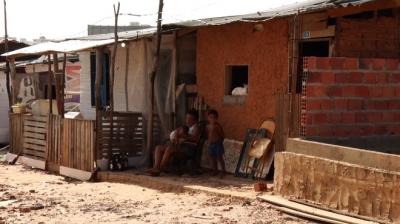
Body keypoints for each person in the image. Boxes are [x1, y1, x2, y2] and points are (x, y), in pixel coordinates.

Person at [150, 110, 200, 176]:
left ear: (195, 120)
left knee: (169, 149)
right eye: (187, 118)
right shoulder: (186, 127)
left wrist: (183, 136)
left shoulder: (196, 128)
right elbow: (177, 131)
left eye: (190, 119)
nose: (187, 121)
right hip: (179, 147)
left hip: (186, 151)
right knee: (158, 148)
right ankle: (156, 167)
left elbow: (195, 138)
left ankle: (160, 168)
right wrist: (176, 134)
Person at [207, 109, 226, 177]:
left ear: (217, 118)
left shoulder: (217, 126)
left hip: (217, 144)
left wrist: (219, 142)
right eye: (211, 117)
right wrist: (209, 142)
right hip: (211, 144)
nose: (212, 119)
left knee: (219, 157)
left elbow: (222, 135)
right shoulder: (208, 126)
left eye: (214, 117)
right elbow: (208, 135)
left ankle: (223, 171)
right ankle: (215, 170)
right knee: (212, 158)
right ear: (208, 118)